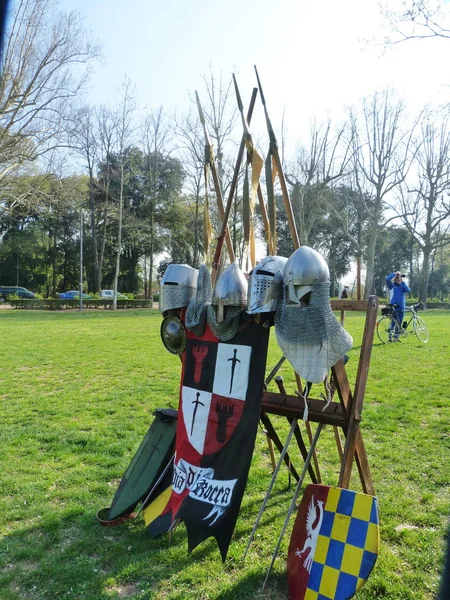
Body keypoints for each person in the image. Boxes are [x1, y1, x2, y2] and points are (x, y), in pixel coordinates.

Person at [386, 271, 410, 341]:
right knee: (393, 322)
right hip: (394, 307)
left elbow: (408, 290)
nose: (399, 280)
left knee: (399, 323)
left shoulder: (402, 286)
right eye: (397, 279)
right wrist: (394, 274)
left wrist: (402, 282)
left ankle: (396, 337)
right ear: (395, 279)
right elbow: (387, 279)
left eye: (400, 279)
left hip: (401, 307)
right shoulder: (392, 286)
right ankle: (390, 337)